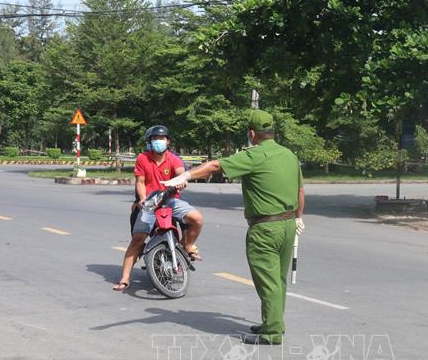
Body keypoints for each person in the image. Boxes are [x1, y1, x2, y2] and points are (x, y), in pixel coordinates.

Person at [164, 109, 305, 345]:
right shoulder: (289, 155)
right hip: (288, 224)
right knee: (277, 279)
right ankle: (273, 322)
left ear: (252, 133)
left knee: (267, 281)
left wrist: (184, 176)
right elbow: (300, 191)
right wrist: (299, 217)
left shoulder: (254, 155)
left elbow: (215, 166)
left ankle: (272, 332)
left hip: (266, 228)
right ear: (272, 131)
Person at [113, 125, 203, 292]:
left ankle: (188, 245)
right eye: (155, 139)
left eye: (162, 139)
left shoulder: (174, 159)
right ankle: (125, 278)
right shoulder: (142, 158)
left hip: (170, 201)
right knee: (138, 239)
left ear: (168, 141)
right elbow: (140, 182)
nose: (158, 142)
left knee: (196, 218)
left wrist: (181, 180)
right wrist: (142, 200)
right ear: (149, 142)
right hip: (150, 202)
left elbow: (181, 173)